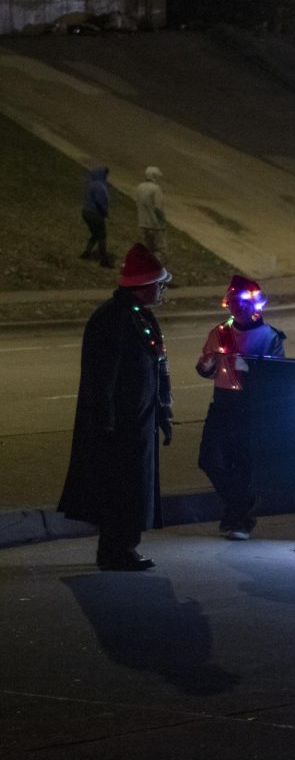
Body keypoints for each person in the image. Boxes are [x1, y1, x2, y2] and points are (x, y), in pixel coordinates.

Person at [59, 244, 172, 570]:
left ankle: (125, 546)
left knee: (133, 488)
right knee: (120, 489)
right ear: (143, 285)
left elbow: (157, 365)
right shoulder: (112, 319)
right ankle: (115, 550)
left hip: (139, 421)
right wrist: (107, 421)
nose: (162, 290)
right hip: (120, 427)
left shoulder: (139, 316)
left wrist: (162, 411)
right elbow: (102, 376)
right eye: (159, 284)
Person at [196, 275, 287, 540]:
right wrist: (206, 366)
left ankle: (239, 520)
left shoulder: (269, 337)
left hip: (250, 407)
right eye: (234, 302)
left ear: (256, 305)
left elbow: (276, 375)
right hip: (222, 403)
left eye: (244, 302)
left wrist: (242, 365)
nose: (239, 307)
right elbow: (207, 370)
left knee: (242, 465)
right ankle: (238, 510)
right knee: (208, 460)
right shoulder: (218, 332)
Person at [80, 166, 114, 268]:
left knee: (95, 234)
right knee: (102, 236)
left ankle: (86, 252)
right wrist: (105, 212)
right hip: (95, 214)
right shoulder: (100, 186)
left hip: (86, 212)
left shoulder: (92, 184)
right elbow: (100, 202)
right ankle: (104, 260)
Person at [135, 166, 167, 256]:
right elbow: (158, 208)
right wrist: (163, 221)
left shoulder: (140, 187)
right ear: (155, 176)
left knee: (146, 250)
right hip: (155, 226)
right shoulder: (156, 189)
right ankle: (155, 268)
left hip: (142, 224)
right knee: (160, 251)